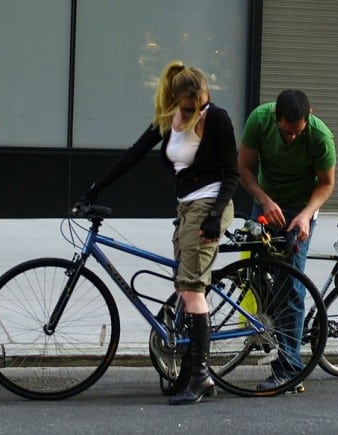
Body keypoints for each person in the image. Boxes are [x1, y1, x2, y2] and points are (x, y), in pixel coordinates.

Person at [80, 61, 239, 405]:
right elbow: (134, 153)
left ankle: (201, 376)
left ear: (204, 94)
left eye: (198, 103)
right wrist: (97, 187)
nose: (194, 110)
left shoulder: (217, 118)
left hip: (210, 205)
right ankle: (187, 372)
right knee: (181, 289)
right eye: (187, 106)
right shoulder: (169, 119)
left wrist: (213, 217)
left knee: (192, 290)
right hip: (185, 208)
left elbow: (231, 173)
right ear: (176, 98)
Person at [238, 89, 336, 391]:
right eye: (285, 132)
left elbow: (327, 184)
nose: (291, 137)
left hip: (301, 209)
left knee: (291, 284)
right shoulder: (259, 120)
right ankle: (273, 329)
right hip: (267, 203)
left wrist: (306, 214)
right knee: (254, 274)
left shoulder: (320, 137)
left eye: (297, 132)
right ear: (275, 118)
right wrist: (265, 201)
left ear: (308, 118)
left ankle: (290, 370)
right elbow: (243, 168)